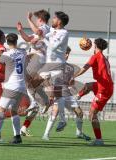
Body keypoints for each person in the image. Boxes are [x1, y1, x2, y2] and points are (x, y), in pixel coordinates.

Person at [70, 38, 114, 145]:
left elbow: (84, 68)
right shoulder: (103, 57)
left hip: (104, 89)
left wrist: (73, 76)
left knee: (92, 114)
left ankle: (99, 140)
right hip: (103, 85)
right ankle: (77, 97)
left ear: (95, 46)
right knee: (88, 86)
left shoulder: (96, 57)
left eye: (93, 45)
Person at [17, 9, 51, 136]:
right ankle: (45, 101)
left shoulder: (45, 27)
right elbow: (29, 39)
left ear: (40, 19)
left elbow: (37, 32)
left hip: (37, 57)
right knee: (32, 86)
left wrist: (28, 19)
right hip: (35, 57)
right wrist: (20, 30)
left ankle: (33, 102)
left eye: (36, 19)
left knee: (24, 79)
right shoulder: (40, 30)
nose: (36, 21)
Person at [40, 11, 69, 140]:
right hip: (48, 66)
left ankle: (46, 133)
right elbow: (43, 34)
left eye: (55, 18)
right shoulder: (52, 30)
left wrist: (43, 39)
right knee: (52, 93)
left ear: (60, 21)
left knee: (56, 100)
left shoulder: (64, 33)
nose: (53, 19)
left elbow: (53, 46)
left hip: (57, 67)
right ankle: (62, 118)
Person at [0, 33, 27, 144]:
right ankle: (17, 136)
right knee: (14, 111)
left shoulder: (6, 54)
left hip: (11, 86)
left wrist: (2, 52)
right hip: (21, 86)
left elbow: (0, 61)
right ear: (16, 41)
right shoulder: (23, 52)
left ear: (7, 42)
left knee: (1, 109)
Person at [54, 47, 91, 141]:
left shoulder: (69, 67)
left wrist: (71, 83)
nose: (67, 55)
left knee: (79, 112)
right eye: (65, 53)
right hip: (56, 91)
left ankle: (79, 133)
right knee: (55, 110)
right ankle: (47, 134)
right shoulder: (55, 64)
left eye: (68, 54)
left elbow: (70, 82)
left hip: (67, 92)